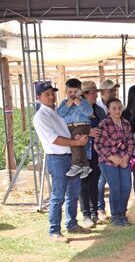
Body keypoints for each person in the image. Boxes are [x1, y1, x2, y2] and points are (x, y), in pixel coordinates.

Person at [32, 80, 92, 242]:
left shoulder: (58, 111)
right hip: (57, 158)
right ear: (39, 97)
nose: (51, 97)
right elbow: (55, 139)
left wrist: (77, 137)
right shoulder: (40, 116)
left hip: (70, 157)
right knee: (58, 196)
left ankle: (72, 224)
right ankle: (54, 231)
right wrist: (77, 143)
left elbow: (68, 131)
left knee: (73, 194)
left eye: (53, 93)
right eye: (47, 94)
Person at [95, 98, 135, 227]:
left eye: (119, 108)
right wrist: (112, 157)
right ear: (108, 109)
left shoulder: (126, 123)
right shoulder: (104, 124)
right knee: (116, 188)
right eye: (114, 108)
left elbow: (130, 142)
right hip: (108, 162)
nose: (117, 111)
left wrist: (127, 157)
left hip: (124, 160)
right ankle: (115, 216)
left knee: (127, 187)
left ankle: (122, 213)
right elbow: (98, 145)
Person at [79, 80, 107, 227]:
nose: (95, 95)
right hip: (82, 152)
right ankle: (86, 215)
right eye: (92, 92)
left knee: (94, 182)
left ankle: (94, 212)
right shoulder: (77, 111)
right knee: (84, 183)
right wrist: (88, 132)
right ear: (84, 94)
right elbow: (71, 130)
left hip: (96, 152)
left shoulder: (99, 110)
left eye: (95, 92)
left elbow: (105, 127)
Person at [56, 78, 93, 179]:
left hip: (82, 125)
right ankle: (85, 165)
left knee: (74, 141)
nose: (72, 94)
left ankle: (76, 164)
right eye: (70, 92)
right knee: (79, 145)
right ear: (66, 92)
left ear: (80, 92)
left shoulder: (84, 102)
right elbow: (60, 113)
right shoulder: (64, 103)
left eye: (76, 92)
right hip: (70, 128)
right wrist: (68, 104)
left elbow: (89, 112)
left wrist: (79, 103)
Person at [96, 79, 120, 222]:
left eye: (114, 90)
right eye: (111, 90)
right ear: (102, 92)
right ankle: (100, 208)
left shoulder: (116, 106)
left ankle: (116, 211)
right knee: (101, 181)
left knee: (112, 182)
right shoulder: (98, 108)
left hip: (117, 152)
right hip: (103, 151)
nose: (113, 92)